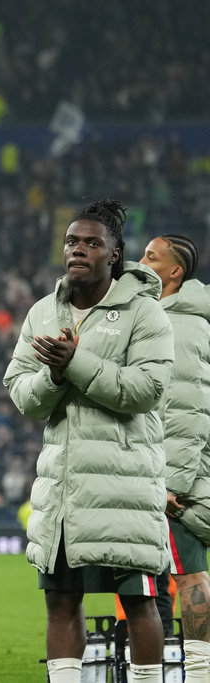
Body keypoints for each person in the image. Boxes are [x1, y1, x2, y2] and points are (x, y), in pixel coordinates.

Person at [4, 199, 175, 683]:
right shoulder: (42, 312)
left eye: (92, 243)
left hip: (126, 485)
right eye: (72, 241)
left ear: (115, 254)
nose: (78, 250)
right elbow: (22, 393)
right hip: (63, 489)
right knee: (60, 602)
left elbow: (147, 390)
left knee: (140, 602)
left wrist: (73, 364)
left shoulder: (146, 313)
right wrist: (55, 377)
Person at [139, 234, 210, 683]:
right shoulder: (164, 314)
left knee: (190, 578)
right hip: (155, 470)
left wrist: (173, 482)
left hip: (175, 482)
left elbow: (187, 409)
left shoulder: (181, 324)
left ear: (174, 272)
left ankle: (200, 673)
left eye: (151, 256)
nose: (140, 261)